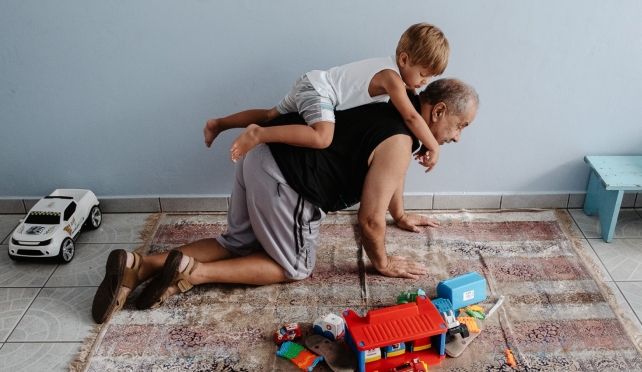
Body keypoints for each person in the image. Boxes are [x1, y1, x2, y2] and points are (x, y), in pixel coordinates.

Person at [91, 78, 479, 324]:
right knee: (294, 266)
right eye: (461, 126)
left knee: (237, 243)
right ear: (439, 110)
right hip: (288, 179)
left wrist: (401, 213)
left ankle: (137, 266)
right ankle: (191, 274)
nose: (458, 137)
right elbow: (368, 221)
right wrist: (384, 262)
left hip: (259, 154)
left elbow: (389, 173)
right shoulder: (400, 141)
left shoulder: (395, 109)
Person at [204, 23, 449, 173]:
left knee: (271, 114)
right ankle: (258, 134)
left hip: (311, 82)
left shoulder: (394, 74)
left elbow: (411, 96)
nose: (423, 83)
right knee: (323, 137)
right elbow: (411, 116)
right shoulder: (392, 78)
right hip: (319, 92)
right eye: (423, 75)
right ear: (404, 60)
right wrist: (433, 145)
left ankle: (218, 124)